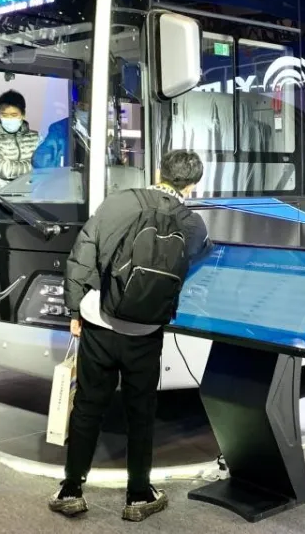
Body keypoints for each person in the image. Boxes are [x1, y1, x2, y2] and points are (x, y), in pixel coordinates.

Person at [50, 150, 210, 522]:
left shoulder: (118, 202)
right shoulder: (193, 224)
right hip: (146, 330)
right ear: (192, 185)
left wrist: (74, 310)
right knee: (141, 412)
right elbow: (196, 263)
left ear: (157, 172)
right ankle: (138, 495)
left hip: (100, 321)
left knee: (88, 406)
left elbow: (82, 254)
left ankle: (71, 489)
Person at [0, 90, 39, 188]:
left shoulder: (36, 138)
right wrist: (35, 166)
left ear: (23, 115)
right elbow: (5, 170)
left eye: (14, 115)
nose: (9, 119)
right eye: (4, 115)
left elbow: (47, 166)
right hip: (0, 195)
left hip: (31, 194)